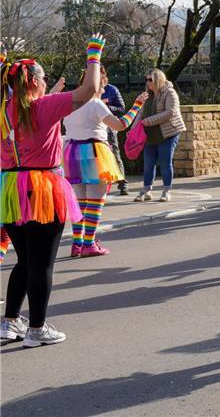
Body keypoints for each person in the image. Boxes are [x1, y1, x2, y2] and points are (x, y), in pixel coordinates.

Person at [0, 34, 104, 347]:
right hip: (42, 187)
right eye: (43, 78)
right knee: (42, 263)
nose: (47, 83)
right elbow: (89, 91)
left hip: (10, 189)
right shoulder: (43, 107)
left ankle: (9, 322)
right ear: (33, 81)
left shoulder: (5, 110)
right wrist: (94, 55)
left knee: (24, 260)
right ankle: (36, 329)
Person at [64, 71, 148, 257]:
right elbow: (120, 125)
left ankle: (77, 244)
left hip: (71, 153)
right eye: (102, 86)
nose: (103, 90)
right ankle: (89, 244)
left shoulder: (70, 102)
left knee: (79, 203)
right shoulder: (95, 104)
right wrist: (136, 106)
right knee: (95, 202)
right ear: (96, 84)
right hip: (94, 152)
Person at [133, 69, 186, 202]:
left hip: (168, 133)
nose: (148, 82)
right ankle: (146, 189)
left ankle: (167, 190)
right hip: (150, 134)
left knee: (165, 162)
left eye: (150, 79)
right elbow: (140, 113)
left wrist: (149, 121)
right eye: (146, 80)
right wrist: (133, 129)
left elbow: (170, 112)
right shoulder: (147, 95)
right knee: (148, 163)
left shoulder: (170, 92)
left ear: (158, 79)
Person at [100, 69, 129, 196]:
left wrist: (106, 106)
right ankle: (102, 185)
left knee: (114, 153)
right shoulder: (87, 89)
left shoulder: (112, 90)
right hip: (94, 127)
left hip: (109, 126)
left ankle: (122, 183)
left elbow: (121, 108)